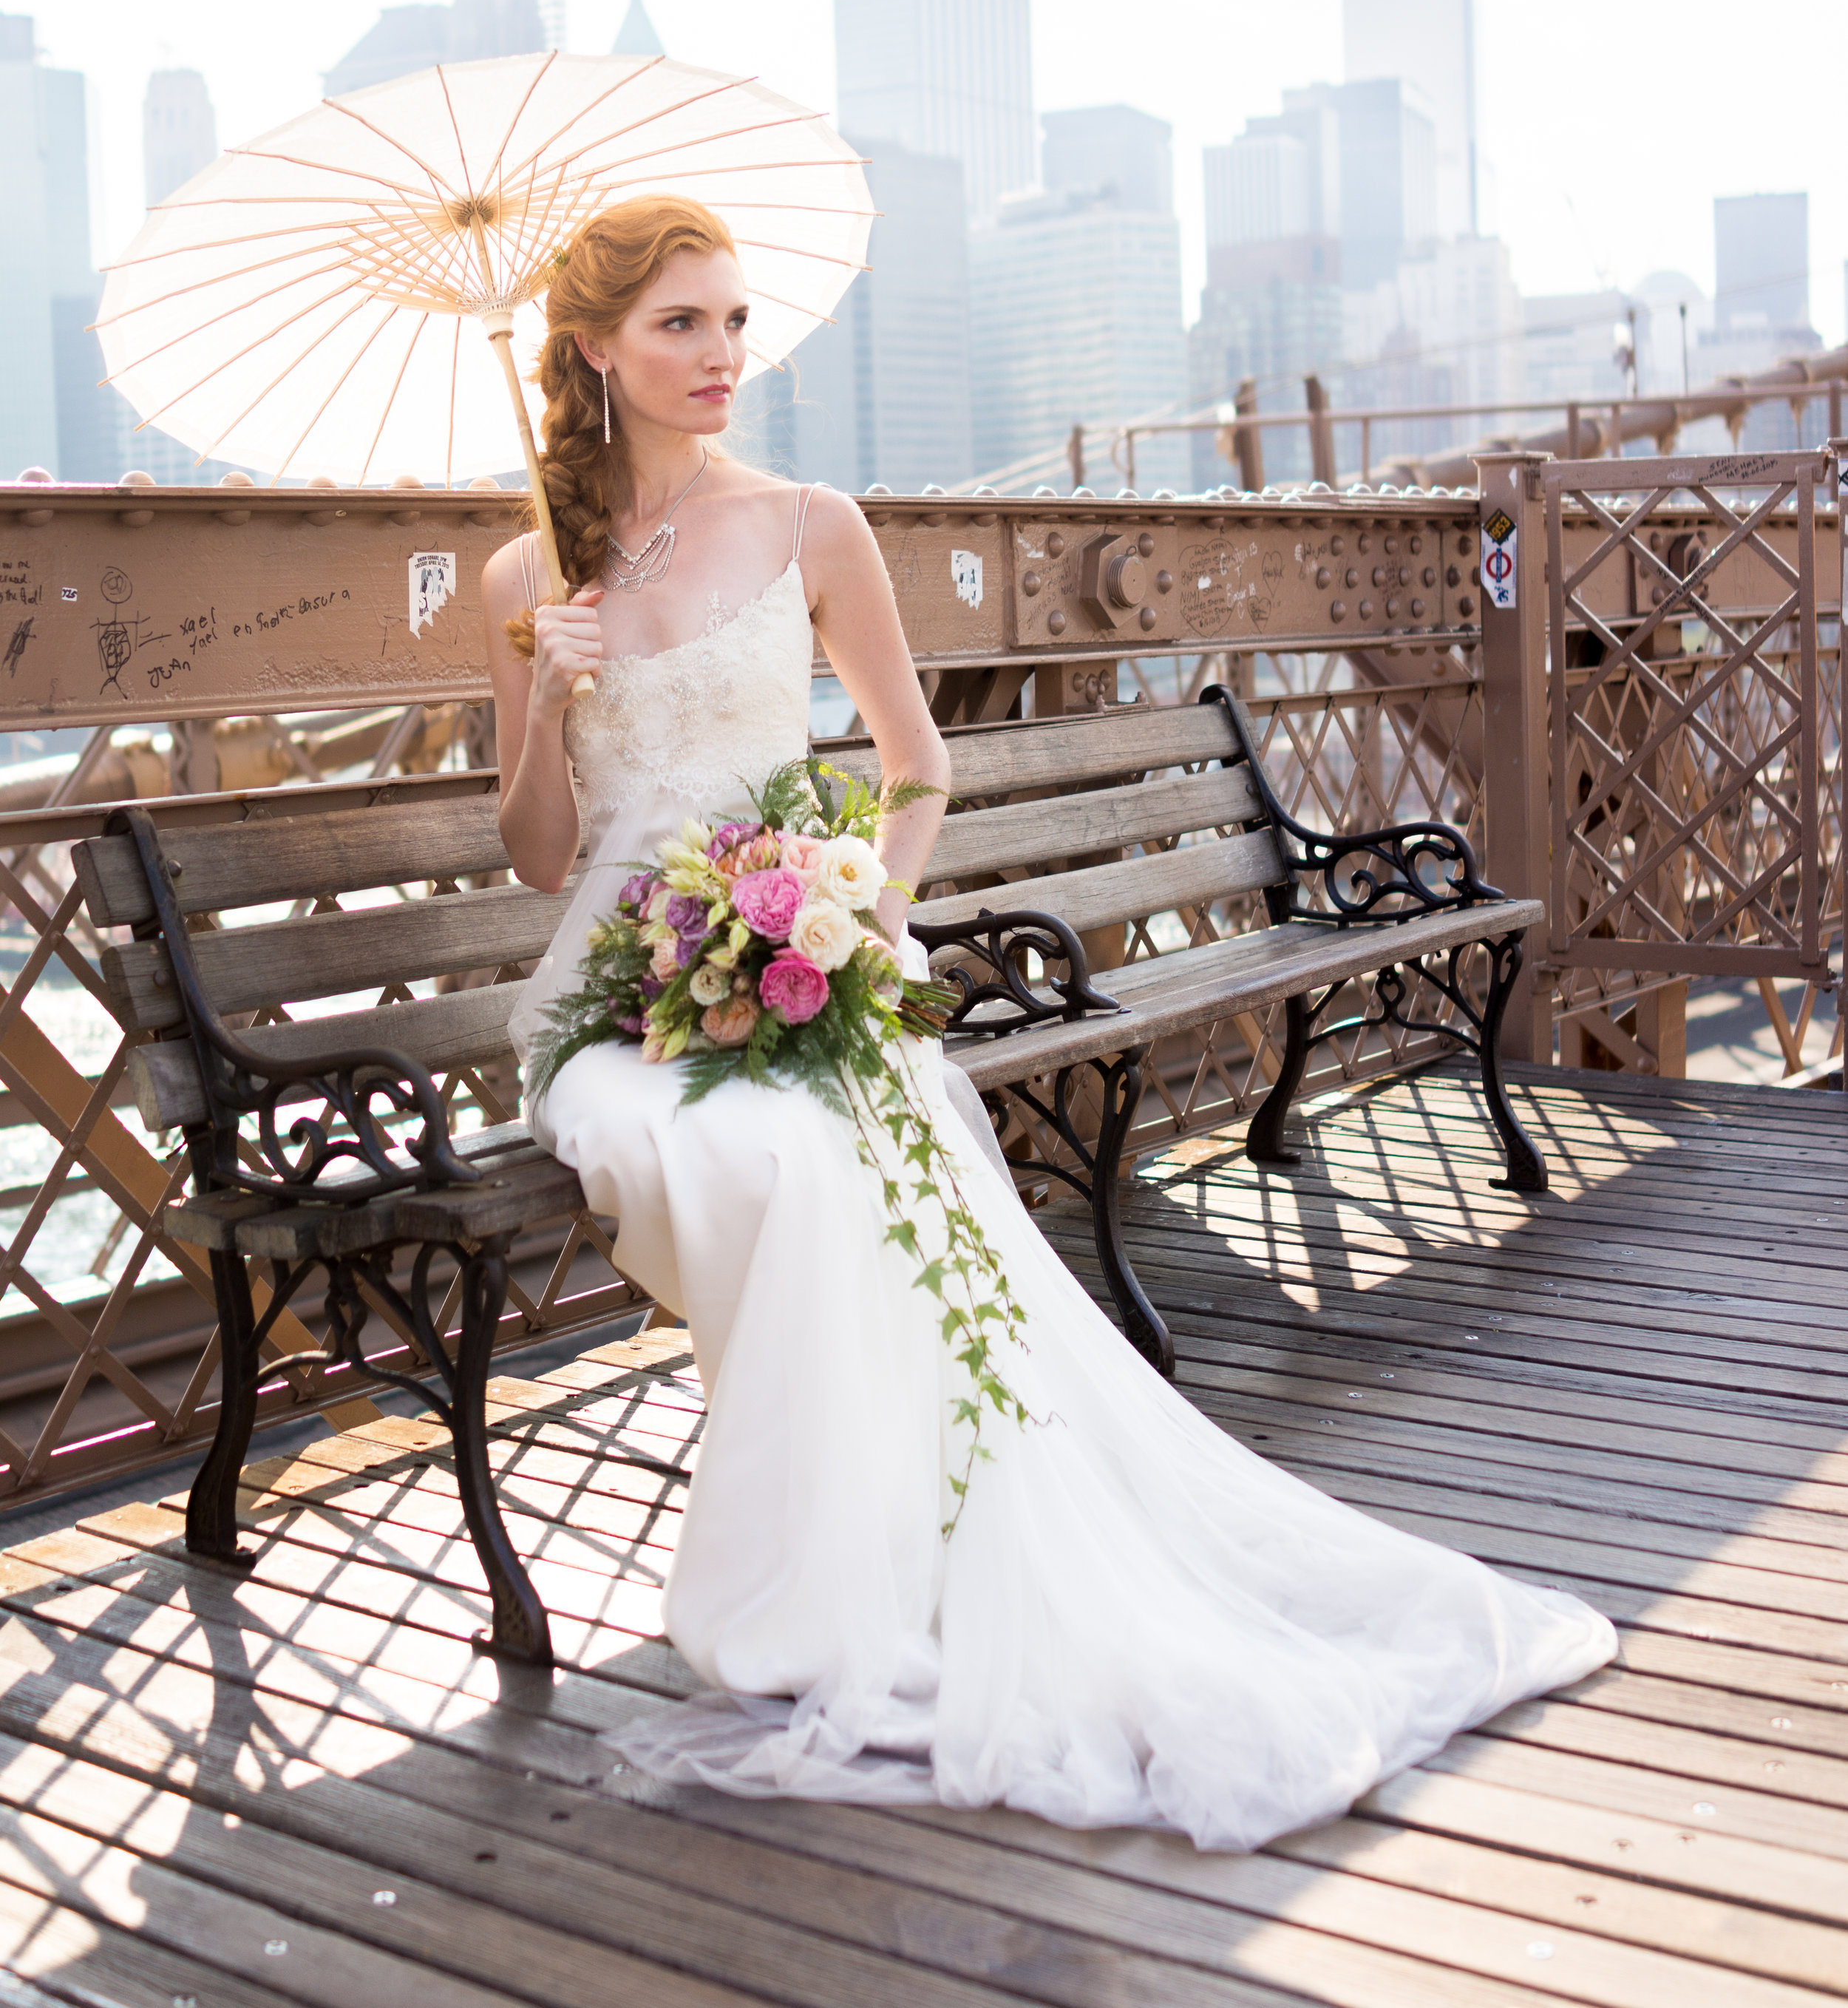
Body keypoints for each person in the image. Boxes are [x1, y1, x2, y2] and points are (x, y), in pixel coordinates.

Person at [483, 192, 1615, 1852]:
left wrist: (852, 913)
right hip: (606, 999)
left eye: (734, 321)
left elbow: (914, 762)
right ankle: (825, 1549)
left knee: (815, 1143)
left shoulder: (810, 525)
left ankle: (881, 1555)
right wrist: (549, 687)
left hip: (789, 955)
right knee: (745, 1154)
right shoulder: (528, 573)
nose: (722, 355)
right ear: (591, 348)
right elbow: (532, 859)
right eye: (678, 326)